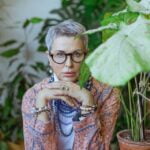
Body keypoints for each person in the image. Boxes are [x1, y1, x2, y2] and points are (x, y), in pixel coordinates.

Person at [22, 20, 120, 150]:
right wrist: (41, 106)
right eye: (60, 55)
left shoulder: (108, 94)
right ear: (49, 58)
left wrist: (87, 100)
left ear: (86, 55)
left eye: (77, 54)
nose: (68, 64)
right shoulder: (33, 96)